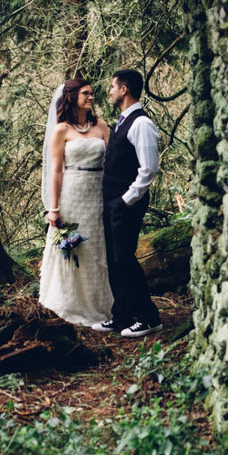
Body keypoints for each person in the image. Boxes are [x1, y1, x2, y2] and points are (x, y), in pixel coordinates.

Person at [92, 68, 162, 338]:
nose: (109, 91)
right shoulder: (122, 121)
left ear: (125, 89)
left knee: (124, 260)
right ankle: (121, 315)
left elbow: (149, 170)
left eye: (112, 86)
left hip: (126, 204)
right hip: (112, 202)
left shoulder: (142, 123)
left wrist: (125, 201)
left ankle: (148, 317)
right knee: (113, 260)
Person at [39, 77, 113, 326]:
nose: (91, 97)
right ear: (72, 98)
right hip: (71, 195)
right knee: (73, 249)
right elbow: (56, 170)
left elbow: (111, 162)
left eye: (92, 93)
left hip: (97, 193)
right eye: (85, 93)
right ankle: (70, 305)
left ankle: (100, 305)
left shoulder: (101, 126)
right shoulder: (61, 130)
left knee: (95, 247)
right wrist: (54, 207)